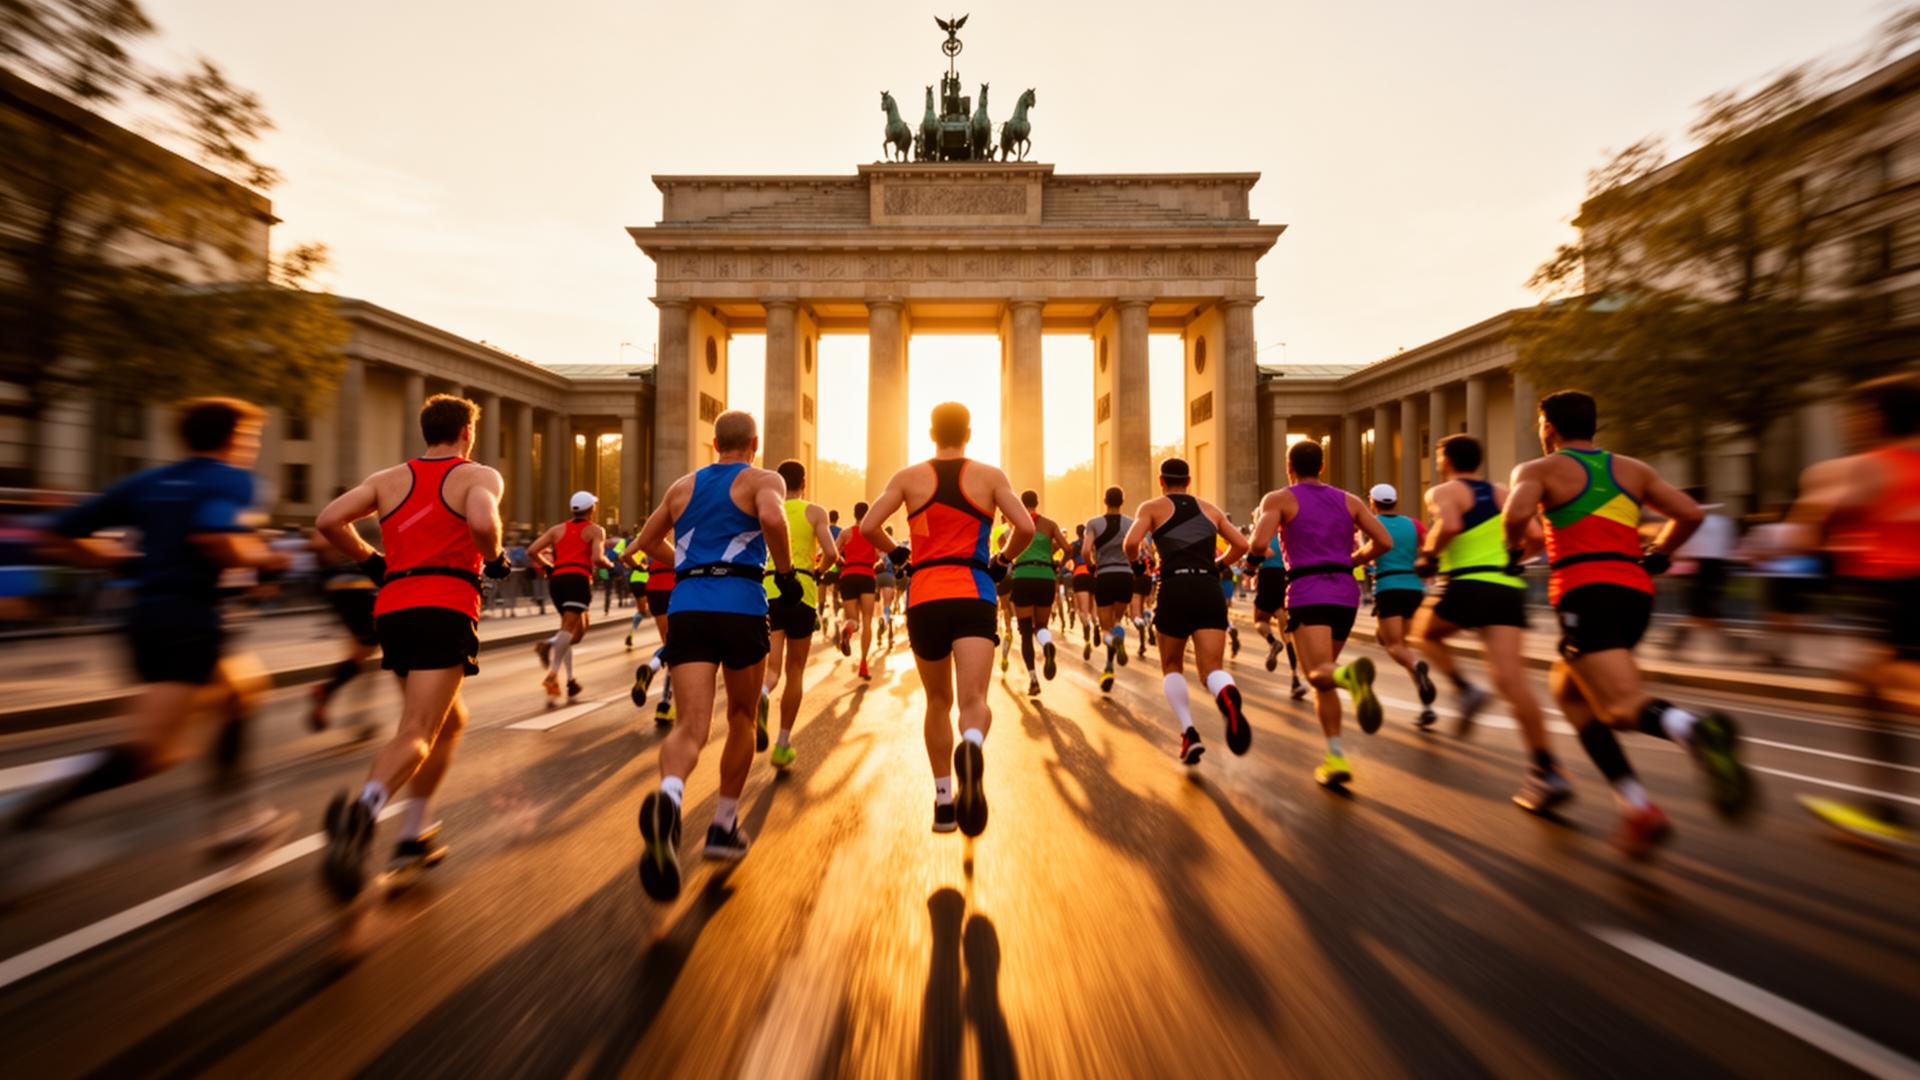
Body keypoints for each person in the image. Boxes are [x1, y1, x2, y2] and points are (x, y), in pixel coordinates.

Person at [14, 398, 294, 859]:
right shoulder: (235, 479)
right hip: (189, 620)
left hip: (143, 617)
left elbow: (55, 534)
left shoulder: (150, 481)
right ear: (234, 439)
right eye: (251, 438)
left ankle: (236, 822)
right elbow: (213, 538)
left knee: (243, 693)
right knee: (150, 754)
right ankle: (33, 807)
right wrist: (267, 558)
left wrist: (110, 561)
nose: (253, 447)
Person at [1504, 389, 1751, 856]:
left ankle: (1693, 729)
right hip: (1636, 592)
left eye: (1541, 425)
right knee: (1570, 691)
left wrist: (1514, 550)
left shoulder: (1538, 469)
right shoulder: (1634, 470)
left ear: (1549, 427)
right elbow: (1690, 514)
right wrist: (1660, 556)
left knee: (1618, 708)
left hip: (1584, 590)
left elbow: (1517, 513)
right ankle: (1636, 807)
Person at [315, 394, 510, 898]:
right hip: (444, 605)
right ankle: (365, 813)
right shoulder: (477, 475)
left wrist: (371, 561)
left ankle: (413, 835)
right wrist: (494, 559)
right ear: (468, 432)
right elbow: (485, 525)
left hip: (393, 609)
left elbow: (329, 521)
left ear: (426, 431)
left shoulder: (387, 479)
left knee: (450, 722)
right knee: (419, 730)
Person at [634, 411, 800, 901]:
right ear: (753, 443)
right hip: (741, 606)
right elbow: (771, 517)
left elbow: (646, 543)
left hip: (688, 606)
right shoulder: (762, 479)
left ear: (713, 443)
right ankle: (724, 826)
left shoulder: (682, 487)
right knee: (744, 715)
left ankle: (670, 797)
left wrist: (687, 563)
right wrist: (785, 573)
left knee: (691, 727)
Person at [861, 402, 1031, 836]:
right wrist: (1001, 560)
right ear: (969, 433)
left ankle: (942, 804)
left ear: (931, 431)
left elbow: (868, 527)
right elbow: (1025, 528)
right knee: (974, 700)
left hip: (926, 595)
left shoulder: (907, 478)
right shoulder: (991, 476)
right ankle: (971, 745)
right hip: (974, 591)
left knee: (938, 702)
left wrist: (900, 554)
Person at [1785, 373, 1920, 850]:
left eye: (1854, 412)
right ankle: (1884, 809)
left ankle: (1885, 809)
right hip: (1901, 592)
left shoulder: (1863, 468)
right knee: (1869, 689)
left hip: (1893, 593)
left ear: (1876, 416)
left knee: (1887, 685)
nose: (1848, 420)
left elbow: (1804, 532)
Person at [1413, 435, 1569, 813]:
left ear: (1446, 459)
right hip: (1506, 588)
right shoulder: (1502, 492)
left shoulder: (1443, 491)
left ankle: (1464, 689)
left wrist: (1430, 556)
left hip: (1466, 582)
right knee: (1512, 682)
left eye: (1438, 456)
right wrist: (1515, 558)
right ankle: (1547, 769)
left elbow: (1448, 525)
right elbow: (1534, 536)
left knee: (1422, 634)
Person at [1248, 440, 1393, 789]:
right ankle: (1335, 756)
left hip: (1307, 590)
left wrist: (1253, 564)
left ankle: (1352, 679)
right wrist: (1355, 560)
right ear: (1322, 467)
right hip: (1345, 592)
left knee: (1316, 674)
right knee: (1325, 675)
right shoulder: (1350, 500)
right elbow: (1384, 542)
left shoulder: (1279, 499)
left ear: (1289, 467)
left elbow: (1257, 542)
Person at [1125, 461, 1252, 763]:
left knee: (1171, 665)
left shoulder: (1152, 507)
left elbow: (1131, 542)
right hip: (1208, 587)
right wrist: (1218, 565)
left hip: (1175, 586)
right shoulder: (1211, 509)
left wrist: (1137, 566)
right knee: (1211, 670)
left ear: (1161, 480)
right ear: (1189, 480)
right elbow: (1242, 544)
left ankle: (1189, 732)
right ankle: (1227, 696)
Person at [755, 459, 838, 770]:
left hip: (768, 590)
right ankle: (782, 744)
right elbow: (831, 553)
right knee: (796, 670)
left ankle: (762, 693)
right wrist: (817, 572)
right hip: (801, 588)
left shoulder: (766, 509)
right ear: (804, 481)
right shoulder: (815, 512)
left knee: (772, 669)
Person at [526, 491, 611, 704]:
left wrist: (548, 566)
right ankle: (553, 675)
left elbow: (532, 550)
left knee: (576, 631)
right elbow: (597, 557)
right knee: (568, 629)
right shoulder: (595, 530)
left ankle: (571, 680)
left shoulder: (557, 530)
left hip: (557, 581)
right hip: (578, 579)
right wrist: (609, 565)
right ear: (591, 509)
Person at [1364, 483, 1437, 725]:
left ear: (1373, 502)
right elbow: (1428, 550)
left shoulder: (1373, 524)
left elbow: (1368, 551)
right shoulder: (1413, 524)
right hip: (1415, 589)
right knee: (1402, 645)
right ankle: (1427, 706)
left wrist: (1352, 561)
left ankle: (1418, 667)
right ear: (1395, 501)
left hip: (1389, 588)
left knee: (1394, 646)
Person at [310, 524, 382, 733]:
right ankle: (358, 717)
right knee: (378, 647)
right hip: (361, 588)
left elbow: (317, 542)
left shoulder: (341, 512)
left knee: (361, 653)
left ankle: (328, 693)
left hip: (338, 589)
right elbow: (319, 540)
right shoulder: (367, 513)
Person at [1007, 490, 1071, 697]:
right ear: (1037, 503)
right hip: (1045, 576)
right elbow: (1068, 548)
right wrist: (1054, 560)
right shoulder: (1050, 524)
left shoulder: (1015, 523)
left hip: (1023, 576)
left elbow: (1008, 549)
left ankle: (1033, 679)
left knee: (1025, 632)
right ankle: (1047, 643)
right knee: (1041, 626)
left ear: (1021, 503)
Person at [1669, 490, 1738, 658]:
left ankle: (1677, 642)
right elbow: (1730, 545)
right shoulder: (1723, 522)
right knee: (1705, 607)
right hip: (1720, 566)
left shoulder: (1686, 521)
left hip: (1696, 566)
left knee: (1698, 608)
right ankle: (1727, 644)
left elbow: (1683, 546)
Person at [1084, 486, 1137, 693]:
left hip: (1105, 574)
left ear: (1105, 500)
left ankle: (1109, 664)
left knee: (1105, 627)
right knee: (1117, 621)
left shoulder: (1094, 523)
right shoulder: (1131, 523)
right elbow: (1135, 548)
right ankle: (1109, 665)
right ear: (1122, 501)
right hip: (1125, 575)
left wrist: (1091, 566)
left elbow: (1086, 549)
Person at [1249, 522, 1308, 699]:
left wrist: (1249, 571)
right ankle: (1295, 678)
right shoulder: (1291, 532)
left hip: (1269, 576)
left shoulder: (1262, 534)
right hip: (1289, 577)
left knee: (1260, 620)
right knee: (1288, 633)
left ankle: (1272, 642)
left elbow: (1254, 557)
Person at [625, 543, 678, 727]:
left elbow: (625, 555)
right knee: (677, 646)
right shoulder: (687, 522)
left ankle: (652, 671)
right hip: (676, 585)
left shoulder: (657, 525)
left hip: (654, 587)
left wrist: (639, 567)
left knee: (670, 643)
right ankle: (664, 704)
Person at [836, 499, 881, 679]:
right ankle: (863, 664)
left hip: (848, 575)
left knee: (854, 620)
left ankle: (848, 629)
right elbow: (881, 556)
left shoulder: (846, 533)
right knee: (868, 620)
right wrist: (875, 564)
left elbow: (832, 551)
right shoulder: (873, 533)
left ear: (854, 514)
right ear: (868, 514)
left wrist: (841, 562)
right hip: (867, 576)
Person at [1069, 525, 1097, 656]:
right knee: (1094, 610)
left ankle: (1087, 638)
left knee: (1082, 610)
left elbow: (1067, 559)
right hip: (1093, 575)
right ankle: (1096, 624)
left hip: (1079, 574)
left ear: (1076, 533)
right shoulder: (1092, 544)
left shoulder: (1074, 545)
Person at [621, 525, 648, 647]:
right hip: (646, 580)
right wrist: (640, 566)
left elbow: (621, 557)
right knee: (646, 611)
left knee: (642, 611)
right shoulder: (648, 538)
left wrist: (633, 566)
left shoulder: (632, 542)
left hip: (635, 580)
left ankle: (631, 635)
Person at [874, 528, 901, 651]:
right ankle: (888, 627)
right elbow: (899, 565)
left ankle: (879, 632)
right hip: (889, 577)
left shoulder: (877, 546)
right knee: (887, 606)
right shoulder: (894, 546)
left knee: (877, 608)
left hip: (877, 577)